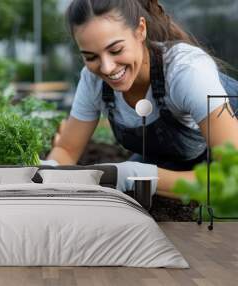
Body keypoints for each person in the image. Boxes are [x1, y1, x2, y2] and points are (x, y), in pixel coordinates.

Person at [44, 0, 238, 196]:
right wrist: (46, 175)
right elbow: (67, 150)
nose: (106, 67)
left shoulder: (186, 72)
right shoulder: (93, 80)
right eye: (91, 57)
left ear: (140, 30)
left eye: (116, 50)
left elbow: (232, 175)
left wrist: (136, 175)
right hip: (177, 163)